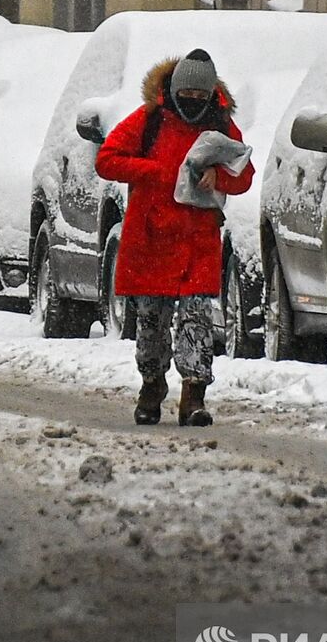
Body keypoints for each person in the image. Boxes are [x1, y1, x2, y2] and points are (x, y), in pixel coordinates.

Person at [96, 49, 255, 427]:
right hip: (151, 238)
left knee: (197, 320)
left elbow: (244, 175)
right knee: (151, 320)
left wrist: (220, 177)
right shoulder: (148, 121)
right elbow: (107, 160)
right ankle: (151, 386)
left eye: (202, 97)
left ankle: (194, 396)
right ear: (174, 90)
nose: (194, 103)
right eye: (189, 95)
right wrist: (153, 172)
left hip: (197, 241)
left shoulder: (221, 126)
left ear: (211, 94)